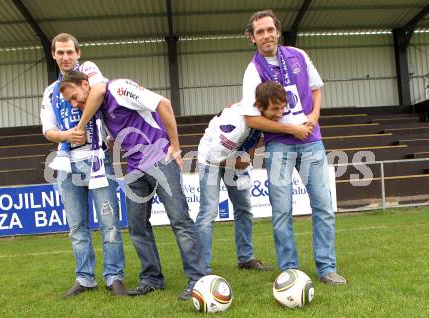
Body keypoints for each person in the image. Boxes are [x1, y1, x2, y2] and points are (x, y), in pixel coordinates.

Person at [59, 71, 206, 300]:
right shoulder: (99, 112)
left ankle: (197, 279)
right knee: (137, 227)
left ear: (86, 84)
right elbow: (114, 137)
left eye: (75, 97)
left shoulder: (118, 89)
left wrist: (175, 145)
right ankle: (152, 279)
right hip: (134, 168)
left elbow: (163, 103)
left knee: (179, 219)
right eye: (70, 102)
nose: (75, 103)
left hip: (160, 159)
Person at [241, 10, 346, 285]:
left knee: (323, 206)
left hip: (311, 141)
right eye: (260, 32)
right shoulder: (253, 70)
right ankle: (290, 270)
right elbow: (251, 117)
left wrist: (314, 117)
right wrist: (291, 128)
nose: (266, 35)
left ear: (277, 31)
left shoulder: (299, 55)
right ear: (252, 38)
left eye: (269, 29)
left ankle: (327, 268)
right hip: (279, 146)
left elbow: (316, 88)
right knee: (282, 211)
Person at [40, 33, 127, 298]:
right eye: (60, 52)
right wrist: (67, 135)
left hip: (97, 160)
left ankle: (114, 277)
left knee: (109, 222)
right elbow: (48, 130)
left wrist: (79, 126)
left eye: (69, 52)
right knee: (77, 227)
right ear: (54, 55)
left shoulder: (90, 73)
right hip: (68, 165)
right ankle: (84, 278)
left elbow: (99, 93)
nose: (65, 57)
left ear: (77, 53)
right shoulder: (50, 92)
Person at [196, 81, 292, 274]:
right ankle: (200, 267)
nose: (279, 114)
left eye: (282, 108)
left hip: (235, 156)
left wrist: (248, 154)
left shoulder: (262, 115)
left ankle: (245, 259)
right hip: (211, 159)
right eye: (275, 109)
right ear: (259, 106)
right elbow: (212, 156)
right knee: (208, 212)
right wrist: (238, 163)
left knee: (244, 209)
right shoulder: (236, 124)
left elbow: (256, 139)